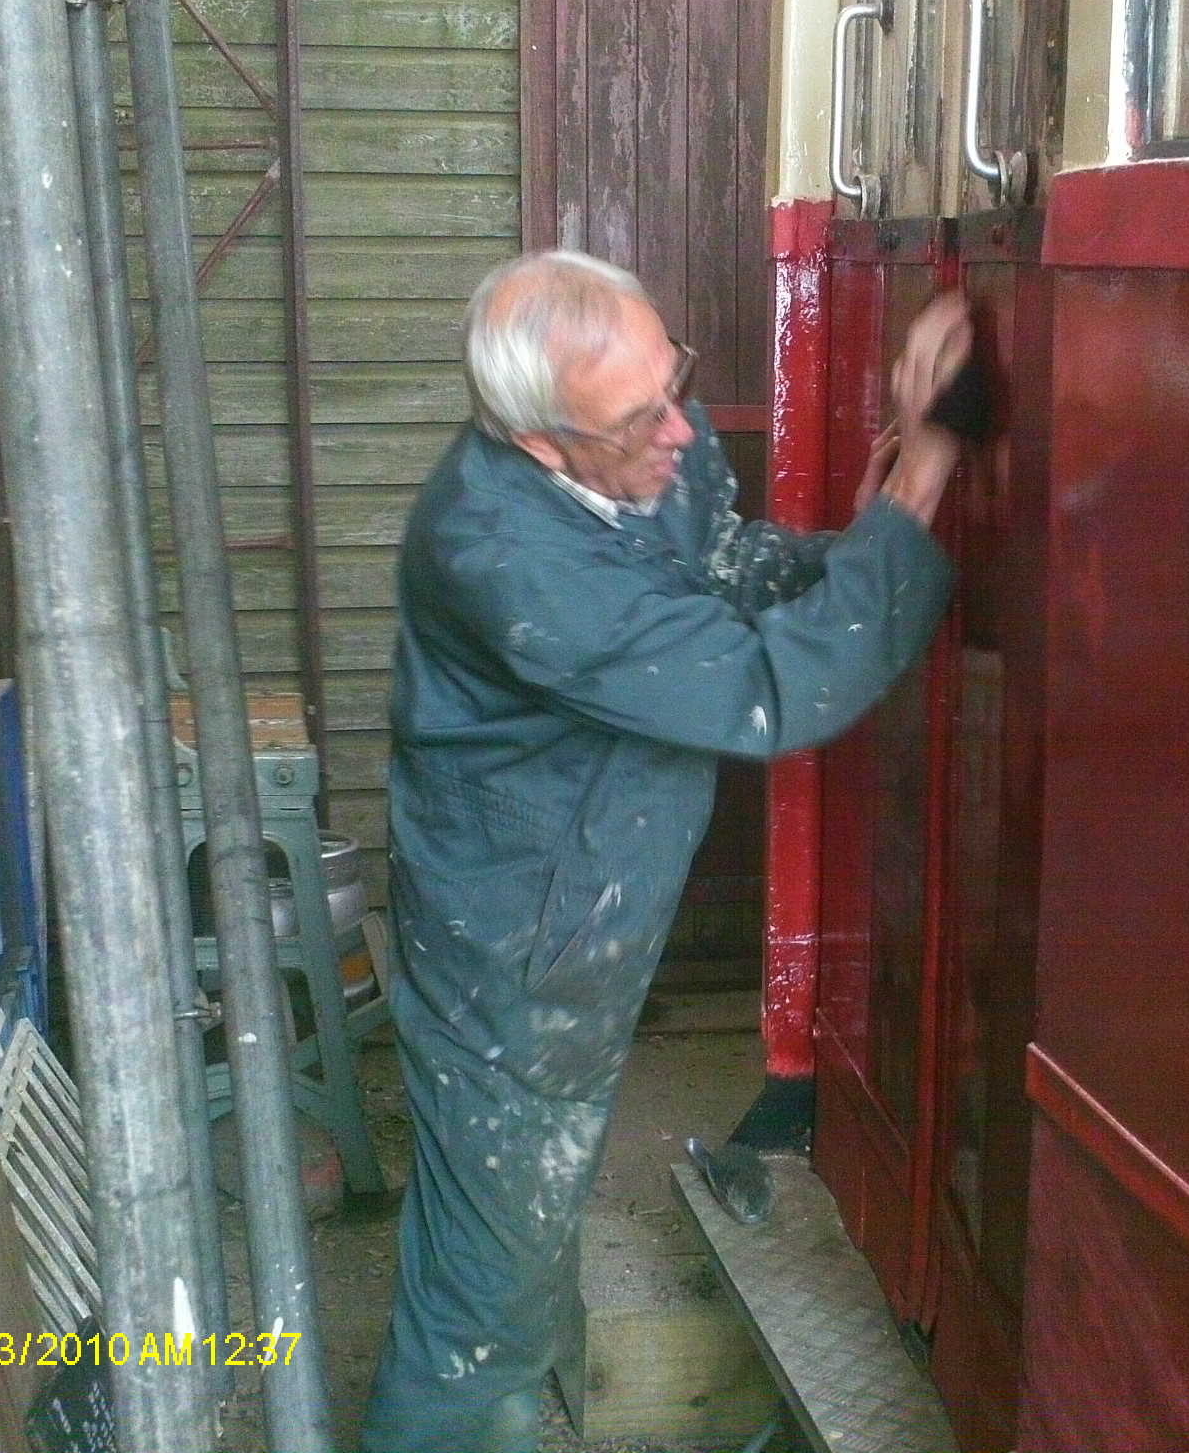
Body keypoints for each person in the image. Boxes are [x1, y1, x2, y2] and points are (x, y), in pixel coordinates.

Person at [361, 249, 968, 1452]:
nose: (682, 428)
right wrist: (921, 486)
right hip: (513, 951)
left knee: (509, 1237)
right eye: (643, 416)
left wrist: (842, 551)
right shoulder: (503, 551)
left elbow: (713, 567)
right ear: (543, 444)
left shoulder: (639, 452)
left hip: (575, 910)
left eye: (672, 377)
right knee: (481, 1304)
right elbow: (765, 691)